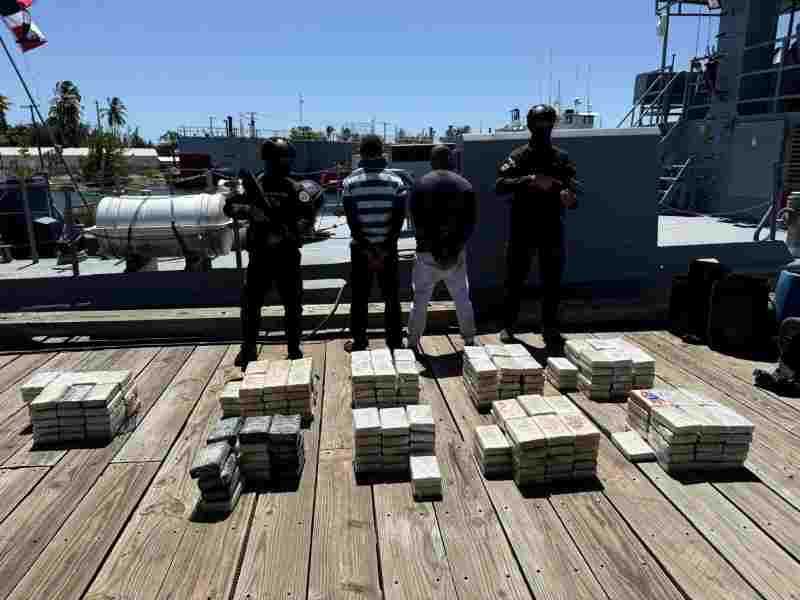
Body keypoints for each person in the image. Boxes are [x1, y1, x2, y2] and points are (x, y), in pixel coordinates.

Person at [224, 137, 316, 368]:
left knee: (293, 305)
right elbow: (229, 207)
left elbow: (307, 218)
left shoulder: (295, 188)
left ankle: (294, 348)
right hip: (260, 256)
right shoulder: (253, 186)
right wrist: (250, 211)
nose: (285, 163)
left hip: (287, 255)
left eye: (287, 159)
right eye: (282, 159)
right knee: (251, 305)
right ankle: (248, 348)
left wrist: (288, 232)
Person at [495, 104, 581, 347]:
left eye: (546, 123)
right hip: (522, 227)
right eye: (539, 123)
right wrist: (529, 180)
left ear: (553, 125)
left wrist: (569, 199)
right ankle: (508, 326)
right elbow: (500, 185)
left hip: (551, 228)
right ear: (530, 125)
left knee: (552, 282)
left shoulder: (561, 158)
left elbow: (573, 193)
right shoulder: (519, 156)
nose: (543, 128)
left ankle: (550, 327)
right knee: (514, 280)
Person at [406, 145, 477, 351]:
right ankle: (469, 338)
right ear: (451, 161)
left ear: (431, 162)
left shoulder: (420, 185)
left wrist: (434, 249)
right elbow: (470, 223)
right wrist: (454, 249)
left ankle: (412, 342)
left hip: (427, 253)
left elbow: (417, 221)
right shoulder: (464, 185)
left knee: (420, 300)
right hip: (455, 254)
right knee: (462, 298)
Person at [342, 134, 407, 352]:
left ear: (360, 153)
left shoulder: (350, 182)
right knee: (391, 296)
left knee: (360, 297)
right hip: (388, 249)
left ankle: (360, 341)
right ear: (382, 152)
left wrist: (368, 249)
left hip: (361, 250)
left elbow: (353, 222)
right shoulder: (396, 182)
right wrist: (384, 248)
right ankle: (395, 341)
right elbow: (398, 221)